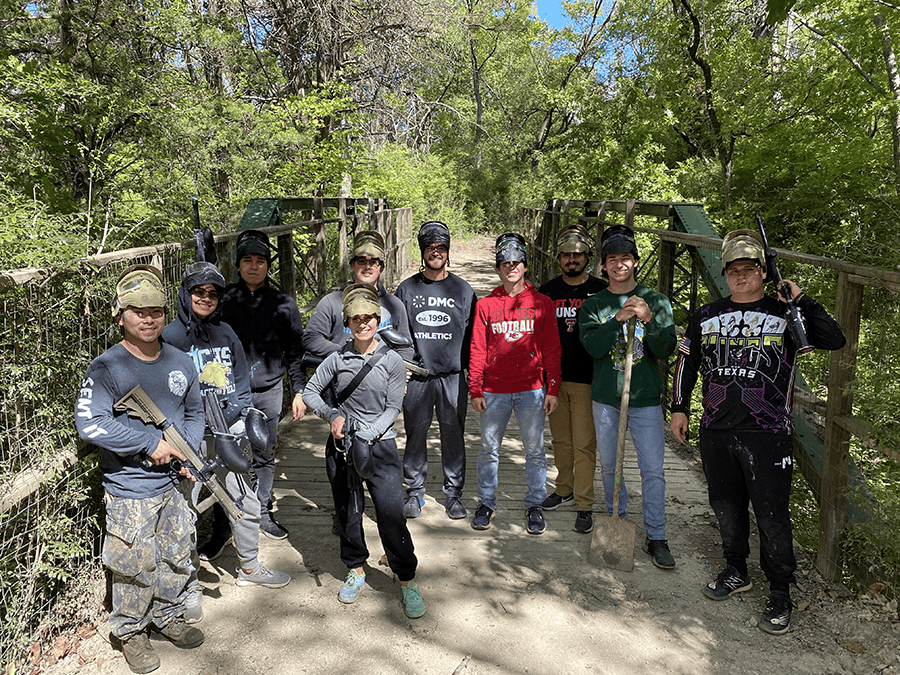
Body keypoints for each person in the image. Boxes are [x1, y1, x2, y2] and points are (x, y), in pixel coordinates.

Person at [670, 229, 846, 634]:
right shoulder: (705, 314)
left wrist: (800, 299)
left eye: (750, 268)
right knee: (725, 506)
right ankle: (736, 570)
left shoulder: (785, 315)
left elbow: (833, 339)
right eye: (734, 268)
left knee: (771, 515)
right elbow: (686, 363)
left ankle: (780, 590)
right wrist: (679, 407)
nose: (741, 275)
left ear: (763, 273)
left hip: (767, 431)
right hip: (715, 428)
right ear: (725, 272)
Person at [75, 264, 205, 674]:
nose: (149, 318)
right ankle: (131, 630)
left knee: (175, 553)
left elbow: (195, 411)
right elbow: (90, 423)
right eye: (138, 311)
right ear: (120, 316)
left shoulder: (182, 362)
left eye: (156, 310)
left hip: (171, 483)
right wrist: (151, 444)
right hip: (131, 485)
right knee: (134, 562)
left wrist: (187, 453)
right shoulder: (107, 367)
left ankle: (168, 616)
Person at [162, 262, 290, 618]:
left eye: (212, 293)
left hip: (226, 433)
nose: (205, 298)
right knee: (184, 512)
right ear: (186, 294)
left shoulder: (226, 333)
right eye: (199, 291)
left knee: (246, 501)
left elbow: (241, 380)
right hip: (189, 439)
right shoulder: (170, 336)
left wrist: (242, 414)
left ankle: (249, 567)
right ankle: (187, 587)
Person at [303, 283, 426, 619]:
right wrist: (333, 415)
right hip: (343, 444)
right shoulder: (336, 359)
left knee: (390, 513)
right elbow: (311, 392)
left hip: (380, 446)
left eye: (368, 317)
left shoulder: (392, 361)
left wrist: (371, 433)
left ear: (378, 319)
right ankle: (355, 567)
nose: (362, 324)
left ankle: (406, 577)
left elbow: (392, 407)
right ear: (347, 322)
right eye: (355, 318)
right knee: (347, 509)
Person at [579, 224, 678, 569]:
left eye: (626, 258)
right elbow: (592, 347)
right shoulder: (595, 304)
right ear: (603, 266)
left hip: (646, 399)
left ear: (635, 262)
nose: (619, 264)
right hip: (607, 397)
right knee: (610, 467)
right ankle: (614, 521)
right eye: (612, 259)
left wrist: (648, 319)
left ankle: (657, 536)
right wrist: (617, 319)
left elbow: (666, 349)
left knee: (653, 470)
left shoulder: (656, 301)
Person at [468, 232, 562, 535]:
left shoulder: (542, 303)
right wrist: (475, 388)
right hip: (494, 390)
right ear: (498, 268)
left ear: (525, 267)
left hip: (531, 389)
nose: (511, 268)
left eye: (517, 263)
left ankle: (535, 503)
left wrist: (553, 387)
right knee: (488, 448)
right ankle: (487, 502)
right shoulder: (485, 306)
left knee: (534, 450)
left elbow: (551, 348)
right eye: (505, 263)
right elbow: (478, 348)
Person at [219, 229, 307, 541]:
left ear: (268, 266)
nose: (254, 266)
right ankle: (225, 522)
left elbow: (295, 351)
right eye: (247, 260)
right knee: (225, 456)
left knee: (264, 453)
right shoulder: (223, 301)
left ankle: (263, 511)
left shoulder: (283, 303)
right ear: (238, 265)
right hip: (228, 392)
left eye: (260, 260)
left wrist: (299, 390)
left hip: (269, 390)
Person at [395, 221, 477, 520]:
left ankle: (453, 495)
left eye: (441, 248)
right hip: (417, 375)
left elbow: (472, 335)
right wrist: (399, 368)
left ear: (447, 252)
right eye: (430, 248)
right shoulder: (407, 288)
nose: (436, 253)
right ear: (422, 252)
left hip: (453, 377)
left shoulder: (462, 289)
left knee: (453, 435)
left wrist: (472, 371)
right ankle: (415, 492)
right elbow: (397, 333)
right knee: (415, 434)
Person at [539, 224, 608, 534]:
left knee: (584, 443)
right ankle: (563, 488)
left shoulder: (602, 290)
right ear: (559, 258)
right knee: (561, 440)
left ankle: (584, 503)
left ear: (587, 258)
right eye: (566, 255)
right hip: (553, 379)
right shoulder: (547, 291)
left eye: (577, 255)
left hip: (588, 377)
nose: (571, 260)